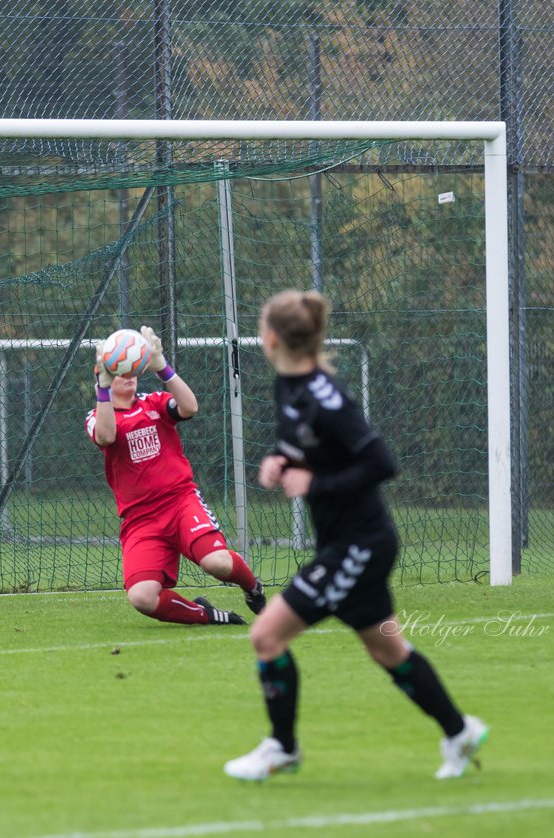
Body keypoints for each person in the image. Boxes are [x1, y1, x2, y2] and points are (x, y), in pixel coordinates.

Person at [223, 289, 486, 782]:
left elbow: (381, 463)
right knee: (389, 651)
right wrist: (285, 462)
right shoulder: (288, 386)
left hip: (359, 546)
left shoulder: (327, 396)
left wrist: (314, 483)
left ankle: (282, 748)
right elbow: (312, 449)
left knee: (266, 635)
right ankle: (459, 731)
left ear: (273, 337)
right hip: (349, 543)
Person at [86, 325, 265, 625]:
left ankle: (252, 586)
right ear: (105, 376)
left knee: (217, 563)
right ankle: (208, 615)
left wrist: (161, 366)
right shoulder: (98, 416)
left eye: (131, 370)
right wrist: (101, 389)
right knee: (142, 597)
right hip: (141, 519)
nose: (128, 376)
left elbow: (190, 407)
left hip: (180, 503)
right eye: (118, 372)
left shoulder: (153, 403)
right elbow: (105, 437)